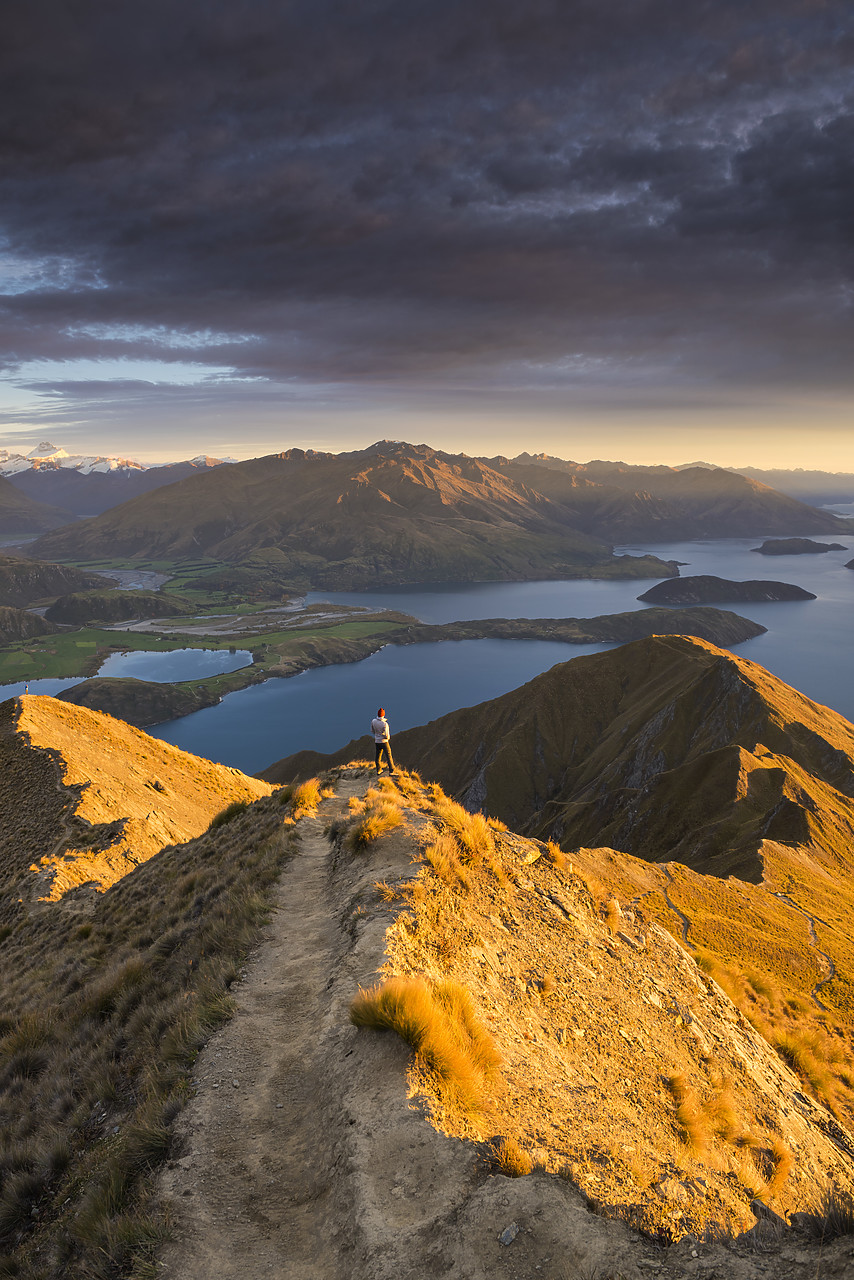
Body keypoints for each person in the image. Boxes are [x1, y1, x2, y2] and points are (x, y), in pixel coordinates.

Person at [371, 706, 396, 777]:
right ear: (383, 715)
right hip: (384, 742)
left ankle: (378, 770)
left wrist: (377, 735)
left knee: (378, 756)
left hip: (377, 741)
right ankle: (391, 771)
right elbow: (387, 735)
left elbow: (372, 730)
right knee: (388, 756)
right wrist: (386, 738)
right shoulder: (385, 724)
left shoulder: (373, 721)